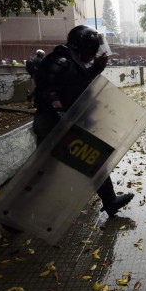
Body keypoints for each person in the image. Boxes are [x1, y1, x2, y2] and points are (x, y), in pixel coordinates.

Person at [33, 25, 134, 217]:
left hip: (67, 124)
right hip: (52, 124)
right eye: (92, 49)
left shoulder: (73, 62)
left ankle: (110, 201)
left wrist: (96, 68)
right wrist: (61, 114)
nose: (93, 54)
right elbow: (47, 89)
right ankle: (14, 212)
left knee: (93, 159)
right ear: (83, 46)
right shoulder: (60, 60)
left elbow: (77, 84)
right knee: (44, 171)